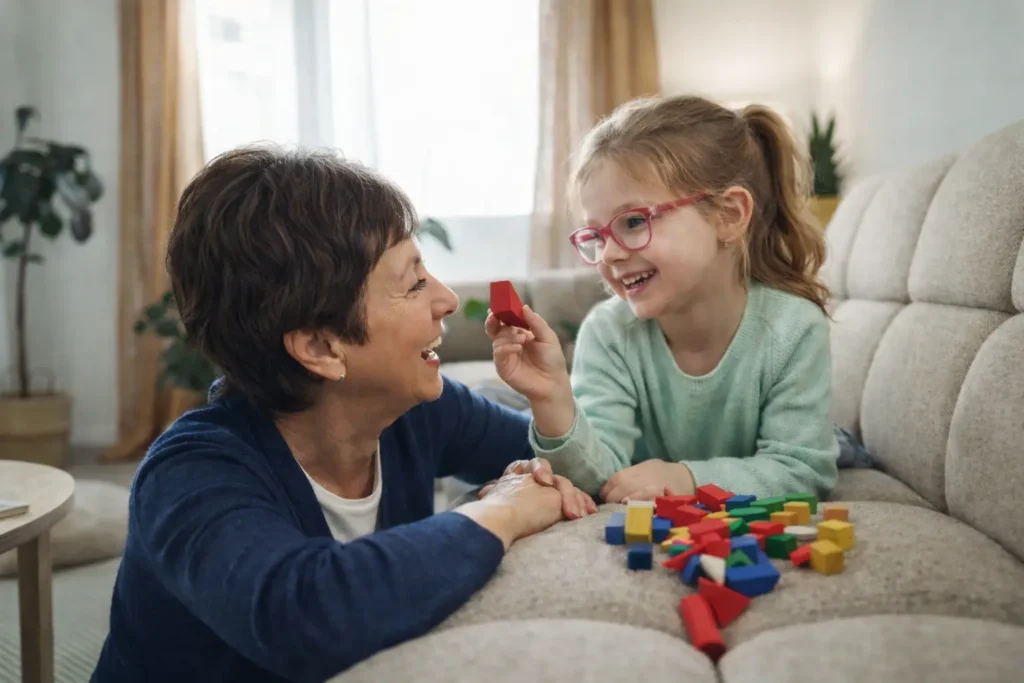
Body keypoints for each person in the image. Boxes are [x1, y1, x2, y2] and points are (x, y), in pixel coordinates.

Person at [91, 147, 596, 683]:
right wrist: (500, 511)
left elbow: (562, 466)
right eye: (414, 282)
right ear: (321, 348)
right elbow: (308, 618)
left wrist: (552, 402)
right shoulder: (189, 474)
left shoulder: (419, 409)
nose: (447, 299)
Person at [486, 94, 840, 503]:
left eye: (634, 221)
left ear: (729, 215)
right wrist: (552, 401)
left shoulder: (793, 329)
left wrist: (688, 478)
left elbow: (801, 470)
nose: (610, 254)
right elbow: (598, 477)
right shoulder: (608, 333)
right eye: (596, 236)